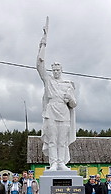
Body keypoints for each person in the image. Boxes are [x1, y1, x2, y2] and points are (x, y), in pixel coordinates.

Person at [37, 17, 77, 171]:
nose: (55, 72)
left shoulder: (68, 84)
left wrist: (71, 99)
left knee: (62, 140)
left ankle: (61, 162)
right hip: (51, 111)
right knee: (52, 139)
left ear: (62, 70)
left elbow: (74, 104)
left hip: (64, 112)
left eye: (57, 70)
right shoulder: (48, 80)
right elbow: (39, 65)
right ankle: (53, 162)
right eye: (53, 69)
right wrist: (43, 43)